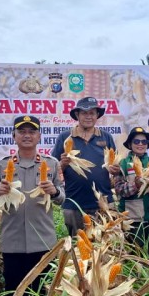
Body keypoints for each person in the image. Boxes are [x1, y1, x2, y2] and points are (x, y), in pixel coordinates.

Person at [0, 115, 65, 296]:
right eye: (22, 132)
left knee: (42, 293)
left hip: (43, 242)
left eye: (32, 132)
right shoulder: (3, 166)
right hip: (13, 242)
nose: (27, 135)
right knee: (15, 293)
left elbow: (62, 198)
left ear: (39, 136)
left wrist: (55, 191)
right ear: (14, 136)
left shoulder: (51, 164)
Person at [51, 97, 119, 236]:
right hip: (74, 203)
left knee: (104, 249)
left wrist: (116, 170)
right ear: (77, 115)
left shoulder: (106, 137)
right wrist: (62, 165)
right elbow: (53, 170)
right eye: (84, 113)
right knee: (78, 248)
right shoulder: (65, 137)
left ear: (97, 116)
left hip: (103, 202)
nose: (88, 116)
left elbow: (115, 166)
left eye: (92, 113)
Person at [114, 127, 149, 256]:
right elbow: (119, 189)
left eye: (144, 141)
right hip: (133, 218)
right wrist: (136, 185)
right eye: (136, 141)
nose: (140, 144)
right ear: (130, 144)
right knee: (136, 254)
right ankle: (138, 276)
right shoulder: (122, 164)